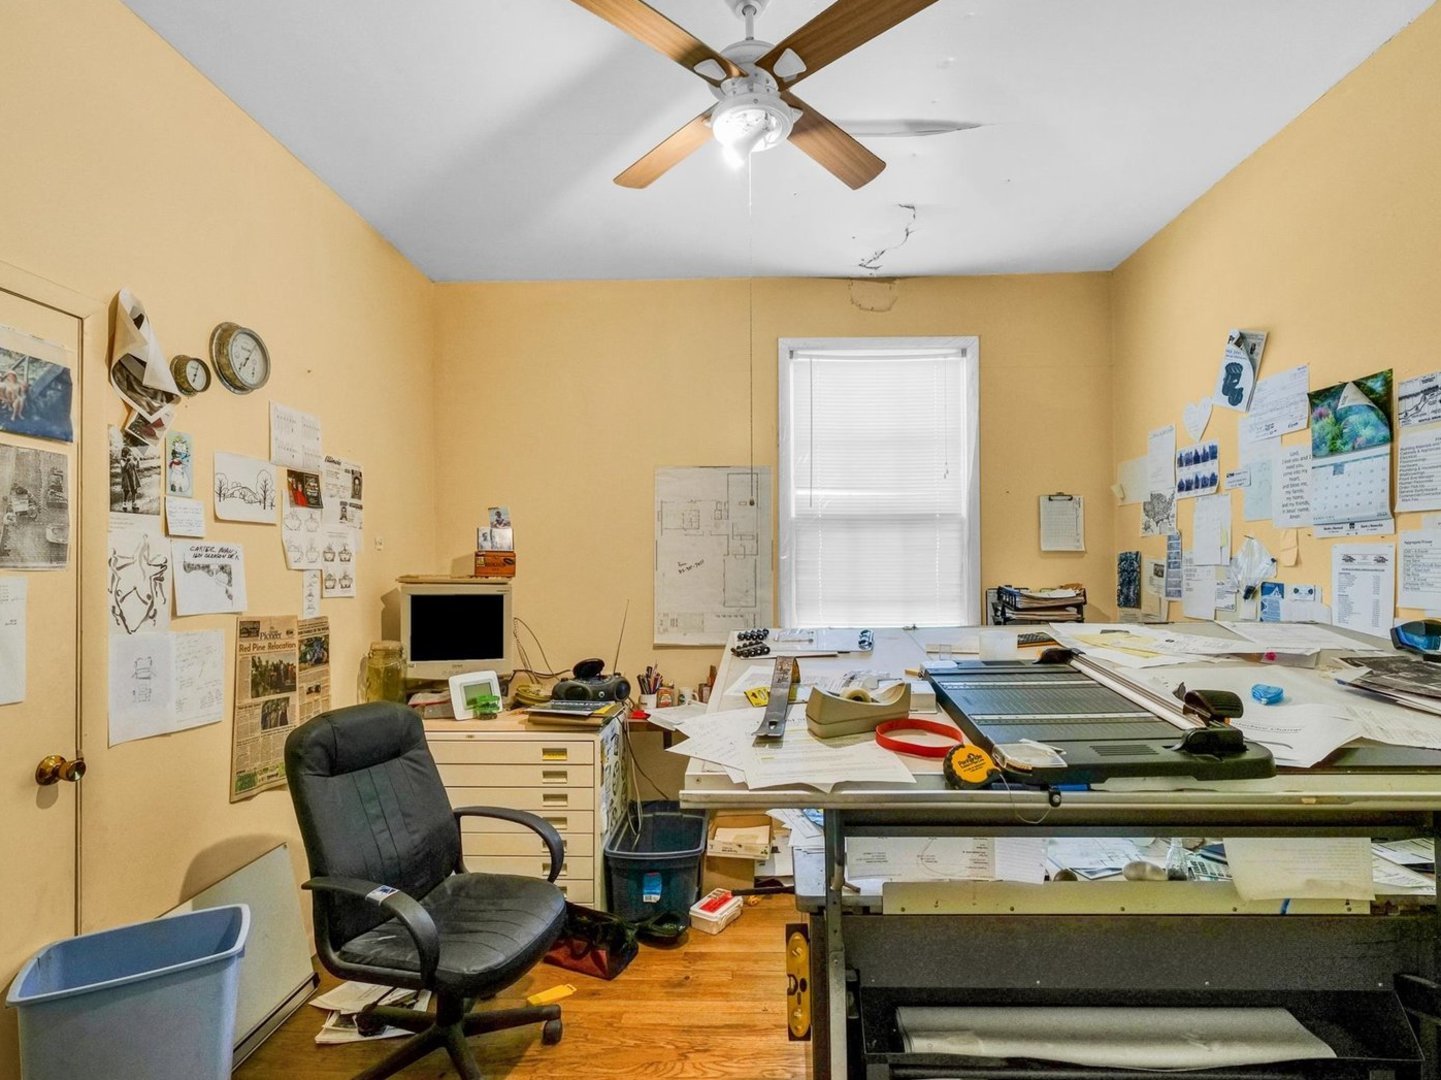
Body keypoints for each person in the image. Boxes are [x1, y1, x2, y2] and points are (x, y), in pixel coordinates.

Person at [119, 446, 140, 511]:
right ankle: (124, 503)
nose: (129, 455)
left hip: (133, 477)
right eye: (128, 454)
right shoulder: (122, 460)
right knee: (126, 491)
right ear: (124, 454)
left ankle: (133, 503)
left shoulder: (131, 459)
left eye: (130, 454)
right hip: (126, 477)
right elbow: (124, 468)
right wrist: (127, 462)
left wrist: (138, 460)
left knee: (134, 490)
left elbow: (137, 466)